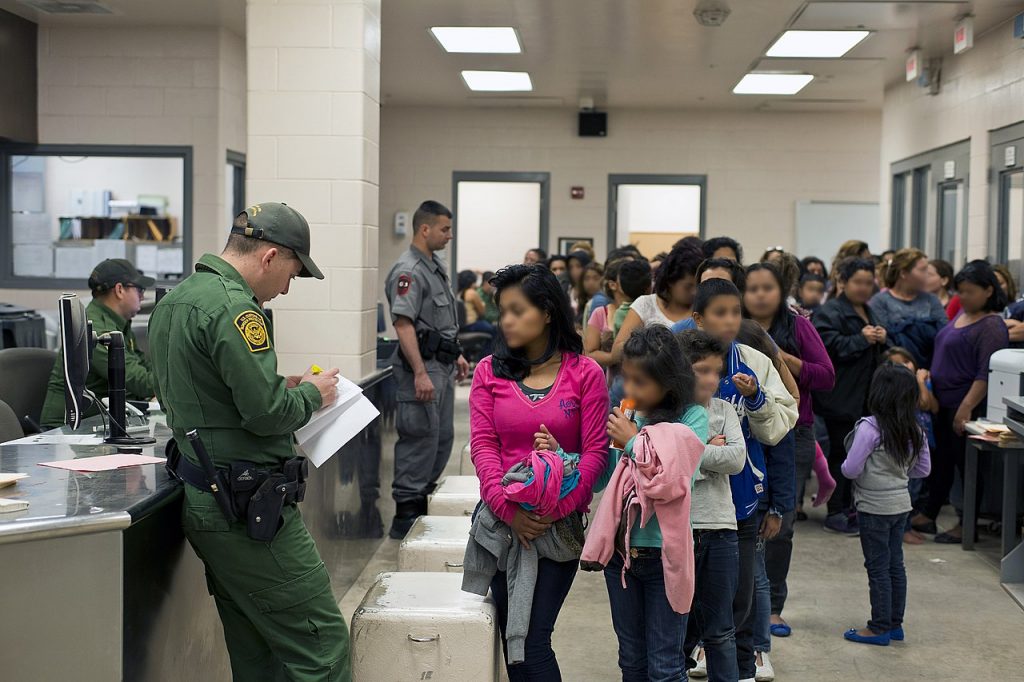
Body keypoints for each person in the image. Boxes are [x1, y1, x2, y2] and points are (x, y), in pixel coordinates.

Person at [148, 202, 350, 680]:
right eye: (291, 274)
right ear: (270, 256)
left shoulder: (175, 301)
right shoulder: (237, 308)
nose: (284, 289)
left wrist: (284, 382)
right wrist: (309, 394)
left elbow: (210, 393)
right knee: (322, 646)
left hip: (210, 499)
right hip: (249, 507)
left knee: (258, 651)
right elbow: (267, 414)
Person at [468, 264, 608, 680]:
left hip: (558, 529)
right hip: (501, 526)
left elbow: (595, 453)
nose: (506, 320)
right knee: (514, 643)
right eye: (502, 311)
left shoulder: (585, 373)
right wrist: (510, 512)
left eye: (517, 310)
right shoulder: (489, 372)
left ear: (547, 312)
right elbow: (484, 447)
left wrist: (553, 511)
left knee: (532, 642)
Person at [584, 325, 707, 682]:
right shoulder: (629, 412)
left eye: (641, 382)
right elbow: (607, 480)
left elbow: (673, 481)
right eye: (627, 379)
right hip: (621, 557)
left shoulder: (692, 418)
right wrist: (567, 454)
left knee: (666, 666)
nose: (629, 389)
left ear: (668, 381)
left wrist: (632, 440)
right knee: (632, 663)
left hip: (663, 556)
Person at [690, 278, 798, 682]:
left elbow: (778, 429)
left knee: (738, 599)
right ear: (699, 318)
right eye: (720, 313)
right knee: (688, 597)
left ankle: (742, 668)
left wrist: (755, 401)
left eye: (736, 312)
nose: (730, 320)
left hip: (742, 500)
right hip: (688, 502)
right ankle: (686, 659)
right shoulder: (676, 357)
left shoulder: (755, 361)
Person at [744, 263, 835, 640]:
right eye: (752, 288)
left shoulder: (798, 326)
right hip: (743, 430)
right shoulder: (734, 324)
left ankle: (774, 606)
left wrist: (779, 359)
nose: (760, 295)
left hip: (792, 431)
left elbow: (826, 376)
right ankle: (743, 602)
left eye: (768, 288)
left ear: (781, 292)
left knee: (781, 522)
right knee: (743, 521)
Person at [384, 200, 470, 538]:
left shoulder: (435, 266)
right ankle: (407, 511)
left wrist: (457, 354)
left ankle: (422, 499)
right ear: (425, 229)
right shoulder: (409, 270)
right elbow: (404, 324)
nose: (449, 235)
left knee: (441, 437)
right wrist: (419, 372)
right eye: (444, 229)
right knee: (419, 436)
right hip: (421, 366)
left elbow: (441, 322)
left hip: (442, 364)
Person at [912, 260, 1009, 544]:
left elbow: (985, 373)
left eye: (968, 292)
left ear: (988, 290)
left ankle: (967, 524)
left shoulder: (991, 325)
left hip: (965, 406)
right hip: (941, 403)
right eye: (960, 291)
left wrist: (966, 408)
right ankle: (929, 514)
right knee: (942, 463)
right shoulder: (963, 316)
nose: (962, 297)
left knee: (968, 468)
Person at [841, 364, 931, 646]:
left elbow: (851, 468)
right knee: (895, 566)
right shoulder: (915, 429)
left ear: (877, 393)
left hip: (873, 508)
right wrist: (898, 473)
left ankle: (878, 627)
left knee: (878, 568)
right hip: (901, 505)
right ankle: (895, 624)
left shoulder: (870, 428)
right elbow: (923, 470)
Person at [678, 329, 746, 682]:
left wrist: (692, 453)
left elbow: (736, 459)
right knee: (678, 632)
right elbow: (667, 467)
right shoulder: (668, 412)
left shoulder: (723, 411)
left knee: (720, 631)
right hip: (677, 531)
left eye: (716, 371)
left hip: (721, 528)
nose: (711, 378)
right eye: (701, 369)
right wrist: (707, 450)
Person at [813, 258, 889, 535]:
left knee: (860, 453)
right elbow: (826, 347)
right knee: (840, 452)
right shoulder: (830, 311)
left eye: (868, 282)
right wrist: (861, 338)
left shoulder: (869, 310)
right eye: (857, 282)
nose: (863, 287)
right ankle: (835, 510)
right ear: (843, 282)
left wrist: (882, 338)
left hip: (866, 397)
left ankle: (849, 506)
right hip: (840, 397)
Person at [40, 258, 156, 428]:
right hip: (66, 428)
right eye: (139, 289)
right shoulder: (97, 328)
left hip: (97, 421)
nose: (143, 296)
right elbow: (136, 380)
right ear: (120, 290)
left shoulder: (117, 321)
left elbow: (141, 366)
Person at [883, 346, 939, 545]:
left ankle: (906, 526)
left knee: (918, 488)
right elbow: (922, 403)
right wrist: (918, 380)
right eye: (899, 365)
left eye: (907, 362)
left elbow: (933, 406)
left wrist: (922, 382)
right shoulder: (902, 387)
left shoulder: (922, 382)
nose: (905, 367)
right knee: (909, 489)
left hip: (924, 443)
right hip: (907, 446)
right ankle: (903, 529)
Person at [612, 243, 704, 362]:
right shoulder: (645, 305)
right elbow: (616, 354)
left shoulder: (702, 308)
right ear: (671, 281)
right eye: (688, 286)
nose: (694, 292)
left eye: (698, 285)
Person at [868, 248, 946, 369]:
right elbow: (883, 342)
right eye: (923, 270)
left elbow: (943, 335)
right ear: (903, 273)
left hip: (929, 370)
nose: (927, 275)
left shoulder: (932, 300)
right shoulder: (880, 302)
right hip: (894, 371)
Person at [584, 259, 627, 371]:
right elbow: (590, 353)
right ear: (612, 285)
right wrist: (613, 357)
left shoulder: (644, 308)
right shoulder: (600, 313)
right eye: (627, 276)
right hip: (610, 382)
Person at [457, 270, 497, 356]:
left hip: (461, 326)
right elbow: (482, 312)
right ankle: (486, 358)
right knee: (496, 330)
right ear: (472, 282)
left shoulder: (458, 292)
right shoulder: (472, 293)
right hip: (471, 324)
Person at [578, 261, 605, 327]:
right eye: (587, 279)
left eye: (596, 278)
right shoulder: (582, 301)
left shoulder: (600, 301)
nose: (591, 283)